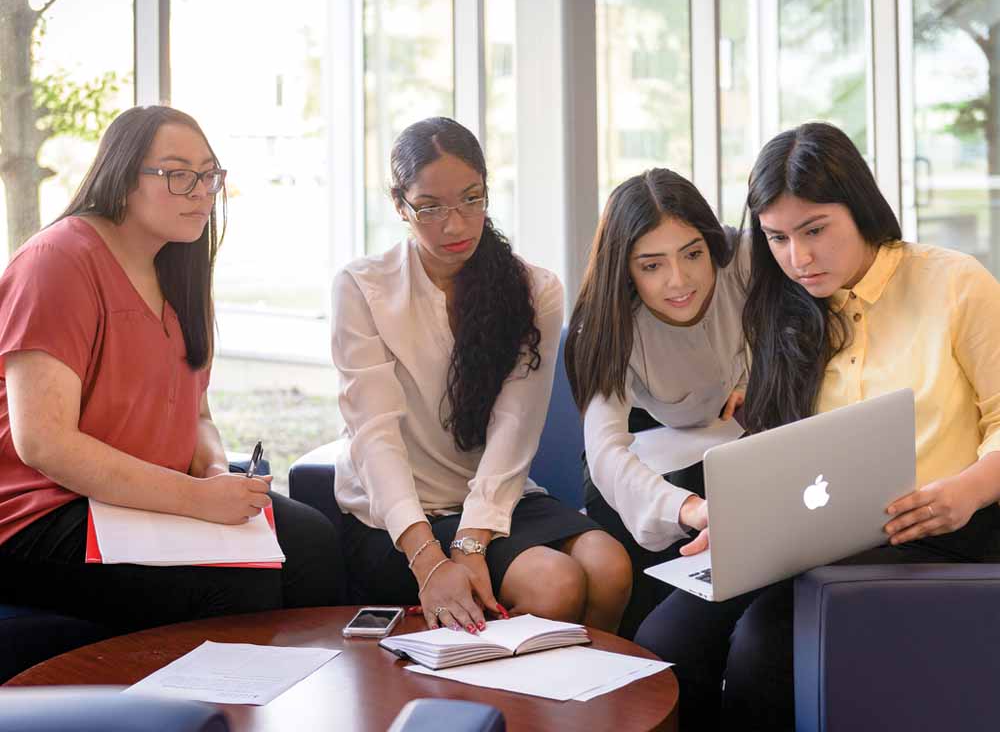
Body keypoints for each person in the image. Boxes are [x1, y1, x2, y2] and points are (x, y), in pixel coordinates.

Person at [635, 122, 1000, 730]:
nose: (798, 258)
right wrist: (744, 527)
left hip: (942, 534)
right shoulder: (784, 307)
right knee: (663, 638)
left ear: (858, 207)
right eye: (777, 238)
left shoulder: (955, 284)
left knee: (763, 646)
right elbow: (788, 453)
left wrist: (967, 490)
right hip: (817, 537)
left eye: (814, 231)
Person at [0, 105, 344, 632]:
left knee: (313, 540)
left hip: (142, 499)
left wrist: (212, 469)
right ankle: (210, 712)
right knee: (241, 582)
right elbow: (43, 443)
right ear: (120, 177)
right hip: (40, 513)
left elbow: (197, 413)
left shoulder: (178, 266)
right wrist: (196, 500)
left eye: (209, 175)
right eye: (179, 175)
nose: (202, 192)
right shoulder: (58, 261)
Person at [331, 116, 632, 634]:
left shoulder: (533, 289)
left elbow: (516, 424)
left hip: (493, 499)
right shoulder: (362, 288)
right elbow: (373, 435)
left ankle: (579, 704)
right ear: (399, 204)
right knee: (552, 584)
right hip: (399, 518)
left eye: (472, 199)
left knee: (610, 566)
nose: (456, 224)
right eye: (430, 207)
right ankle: (512, 710)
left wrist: (474, 540)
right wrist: (431, 560)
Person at [564, 168, 749, 638]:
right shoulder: (607, 325)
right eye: (651, 265)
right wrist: (686, 508)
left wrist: (761, 379)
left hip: (731, 442)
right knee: (663, 623)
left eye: (692, 254)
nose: (679, 280)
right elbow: (606, 452)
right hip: (647, 465)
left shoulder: (747, 259)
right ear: (625, 270)